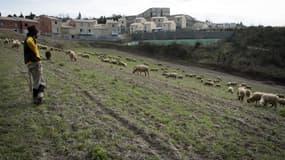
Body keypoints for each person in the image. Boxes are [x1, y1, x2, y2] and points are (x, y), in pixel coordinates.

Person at [24, 25, 46, 105]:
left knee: (42, 82)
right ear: (34, 33)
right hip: (35, 64)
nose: (38, 34)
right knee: (37, 82)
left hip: (33, 63)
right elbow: (30, 43)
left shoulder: (30, 39)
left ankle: (40, 96)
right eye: (37, 33)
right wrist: (37, 55)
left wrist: (38, 56)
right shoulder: (30, 39)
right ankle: (35, 99)